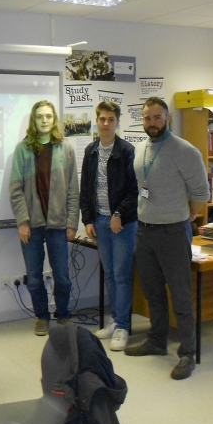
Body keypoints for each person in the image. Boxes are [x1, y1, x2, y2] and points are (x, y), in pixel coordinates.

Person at [124, 97, 209, 381]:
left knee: (181, 296)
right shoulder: (141, 150)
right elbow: (142, 188)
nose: (152, 123)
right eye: (147, 118)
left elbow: (201, 193)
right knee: (153, 293)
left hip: (173, 231)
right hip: (145, 231)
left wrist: (189, 214)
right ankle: (157, 342)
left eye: (157, 118)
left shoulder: (185, 151)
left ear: (167, 118)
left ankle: (187, 353)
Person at [9, 100, 79, 337]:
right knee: (35, 278)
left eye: (48, 116)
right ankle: (41, 316)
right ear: (34, 120)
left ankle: (63, 314)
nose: (45, 120)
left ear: (54, 119)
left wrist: (72, 223)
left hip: (59, 225)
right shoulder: (23, 149)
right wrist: (23, 221)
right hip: (32, 225)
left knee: (63, 277)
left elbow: (72, 189)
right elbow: (16, 189)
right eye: (40, 116)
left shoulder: (65, 148)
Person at [79, 101, 138, 352]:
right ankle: (116, 321)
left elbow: (134, 191)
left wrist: (118, 214)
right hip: (100, 223)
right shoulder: (91, 150)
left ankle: (124, 326)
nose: (105, 123)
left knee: (122, 276)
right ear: (97, 121)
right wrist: (88, 220)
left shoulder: (126, 151)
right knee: (111, 275)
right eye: (101, 119)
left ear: (117, 122)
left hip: (122, 224)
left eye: (110, 119)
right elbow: (85, 190)